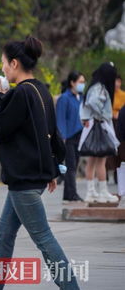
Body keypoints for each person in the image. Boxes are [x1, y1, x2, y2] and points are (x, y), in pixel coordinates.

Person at [0, 36, 86, 290]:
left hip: (23, 179)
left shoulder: (21, 93)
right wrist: (51, 168)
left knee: (42, 237)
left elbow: (0, 124)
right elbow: (51, 134)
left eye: (4, 63)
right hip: (29, 177)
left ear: (14, 63)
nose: (2, 69)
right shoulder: (41, 90)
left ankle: (70, 289)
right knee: (4, 236)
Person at [80, 62, 119, 203]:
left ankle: (91, 192)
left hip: (91, 126)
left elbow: (86, 105)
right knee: (101, 160)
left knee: (92, 161)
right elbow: (93, 102)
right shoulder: (100, 89)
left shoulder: (93, 87)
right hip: (99, 126)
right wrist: (103, 115)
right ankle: (102, 192)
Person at [56, 71, 85, 202]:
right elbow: (60, 119)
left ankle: (68, 194)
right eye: (80, 82)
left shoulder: (80, 97)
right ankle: (72, 194)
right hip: (68, 137)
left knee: (74, 165)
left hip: (80, 135)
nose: (82, 85)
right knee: (71, 166)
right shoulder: (64, 98)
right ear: (72, 83)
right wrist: (62, 137)